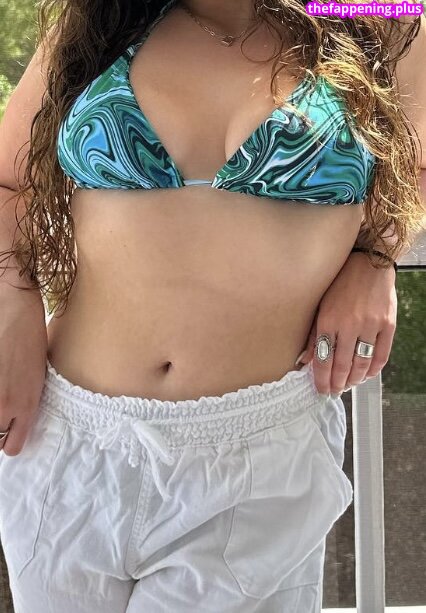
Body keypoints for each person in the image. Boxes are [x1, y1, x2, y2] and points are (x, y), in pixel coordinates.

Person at [0, 0, 424, 611]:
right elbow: (10, 179)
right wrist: (13, 308)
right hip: (68, 443)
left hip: (254, 461)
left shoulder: (379, 13)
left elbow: (417, 166)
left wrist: (376, 258)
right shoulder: (100, 14)